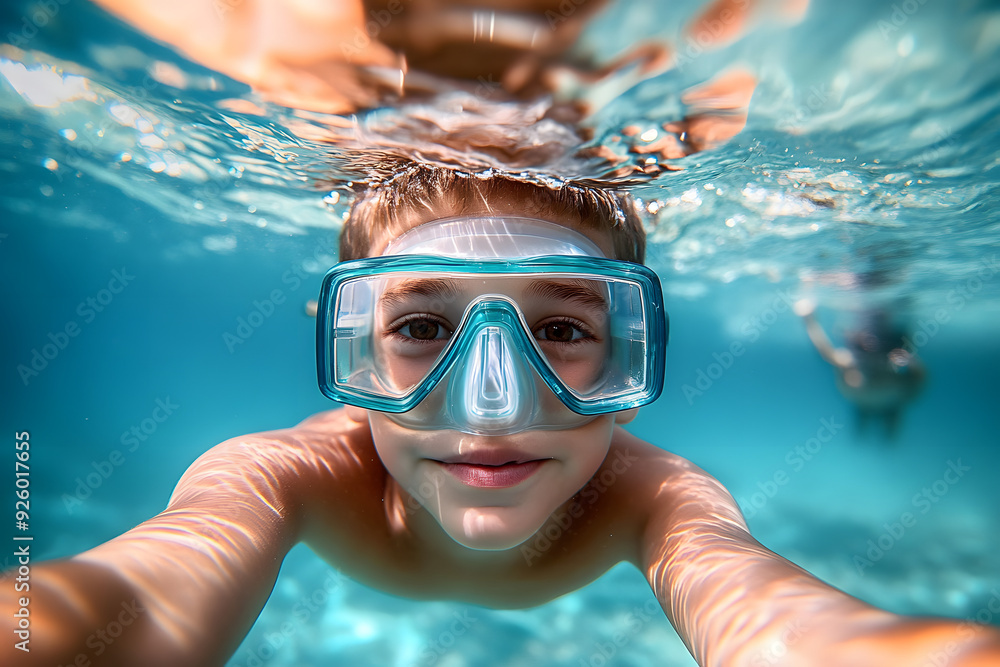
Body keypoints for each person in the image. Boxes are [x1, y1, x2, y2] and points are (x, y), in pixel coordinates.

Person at [5, 163, 999, 667]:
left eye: (563, 333)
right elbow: (139, 595)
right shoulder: (281, 475)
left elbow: (789, 629)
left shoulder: (654, 499)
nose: (494, 402)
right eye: (423, 326)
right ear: (348, 346)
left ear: (629, 348)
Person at [796, 299, 927, 440]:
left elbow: (827, 353)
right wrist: (911, 361)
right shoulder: (891, 386)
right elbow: (919, 378)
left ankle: (879, 435)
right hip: (881, 387)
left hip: (874, 390)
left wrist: (809, 320)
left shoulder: (855, 382)